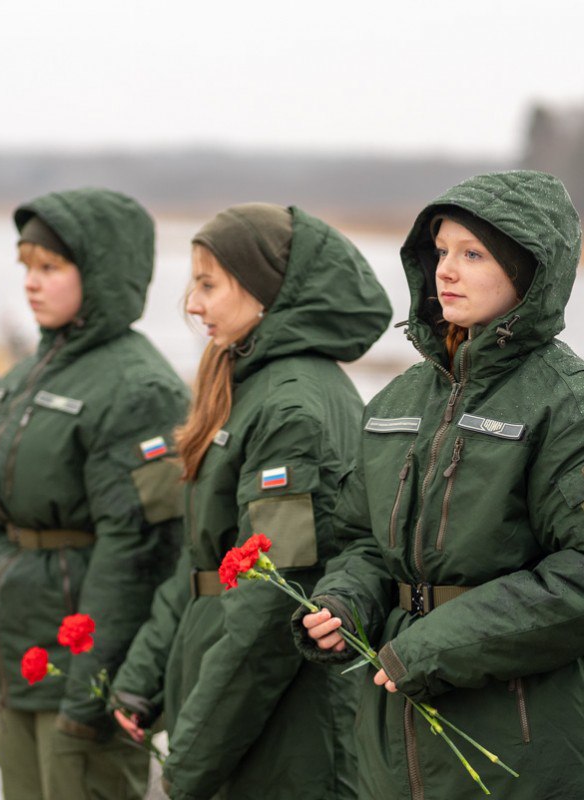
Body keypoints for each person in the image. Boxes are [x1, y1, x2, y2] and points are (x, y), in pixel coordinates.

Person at [298, 171, 584, 800]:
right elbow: (361, 540)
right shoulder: (396, 401)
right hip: (396, 740)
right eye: (441, 252)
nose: (446, 271)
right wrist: (345, 606)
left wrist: (436, 646)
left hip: (530, 748)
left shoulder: (581, 409)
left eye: (473, 254)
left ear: (530, 270)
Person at [109, 203, 392, 800]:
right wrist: (142, 678)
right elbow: (203, 565)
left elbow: (270, 602)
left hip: (287, 736)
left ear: (266, 289)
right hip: (228, 702)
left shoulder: (293, 407)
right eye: (193, 284)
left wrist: (191, 756)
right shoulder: (246, 386)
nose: (192, 304)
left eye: (209, 284)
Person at [0, 188, 188, 800]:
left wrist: (92, 684)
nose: (31, 284)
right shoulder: (27, 374)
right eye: (27, 268)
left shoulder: (139, 388)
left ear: (102, 272)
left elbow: (139, 551)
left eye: (50, 268)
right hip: (17, 661)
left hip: (77, 671)